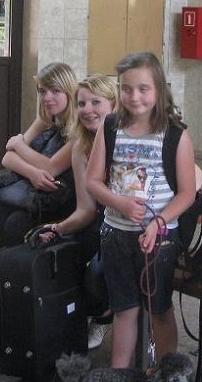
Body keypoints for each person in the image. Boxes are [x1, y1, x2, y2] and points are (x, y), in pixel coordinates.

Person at [85, 52, 196, 368]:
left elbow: (187, 193)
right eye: (126, 88)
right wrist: (118, 203)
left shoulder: (174, 134)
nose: (134, 97)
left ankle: (166, 371)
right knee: (125, 309)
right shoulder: (110, 127)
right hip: (116, 235)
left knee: (159, 309)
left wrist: (158, 221)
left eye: (143, 89)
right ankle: (120, 372)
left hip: (159, 240)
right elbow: (93, 181)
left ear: (159, 89)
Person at [39, 74, 118, 350]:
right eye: (82, 103)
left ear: (114, 105)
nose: (87, 110)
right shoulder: (81, 146)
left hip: (129, 224)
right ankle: (70, 315)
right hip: (100, 220)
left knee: (96, 274)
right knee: (59, 254)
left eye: (96, 102)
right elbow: (86, 209)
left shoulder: (130, 140)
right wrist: (59, 228)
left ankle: (103, 315)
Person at [0, 62, 78, 247]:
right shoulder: (45, 120)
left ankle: (9, 265)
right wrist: (32, 173)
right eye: (42, 91)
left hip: (60, 201)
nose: (47, 98)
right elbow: (7, 158)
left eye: (55, 91)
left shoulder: (79, 130)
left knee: (16, 224)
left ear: (69, 91)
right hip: (32, 194)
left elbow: (51, 167)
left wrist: (18, 144)